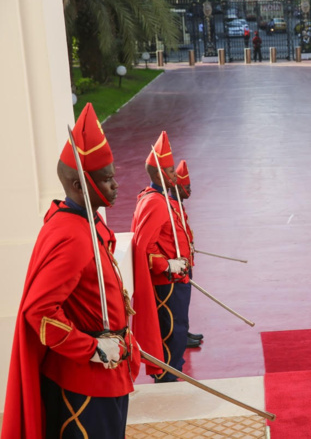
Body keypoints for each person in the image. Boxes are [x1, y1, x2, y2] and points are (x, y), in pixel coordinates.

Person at [2, 103, 142, 438]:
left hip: (108, 370)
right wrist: (91, 348)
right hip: (85, 380)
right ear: (80, 186)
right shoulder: (72, 235)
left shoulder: (86, 224)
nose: (116, 185)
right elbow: (40, 311)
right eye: (106, 179)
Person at [131, 131, 193, 382]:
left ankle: (172, 373)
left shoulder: (164, 199)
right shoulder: (154, 202)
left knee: (179, 331)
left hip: (178, 279)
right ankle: (167, 380)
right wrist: (166, 264)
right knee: (171, 335)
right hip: (166, 284)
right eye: (169, 171)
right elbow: (143, 249)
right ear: (157, 174)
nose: (173, 175)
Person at [171, 160, 204, 349]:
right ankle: (180, 337)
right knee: (178, 305)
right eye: (187, 187)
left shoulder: (178, 206)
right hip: (177, 267)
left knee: (184, 304)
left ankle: (185, 332)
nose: (190, 191)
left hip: (185, 263)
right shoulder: (171, 207)